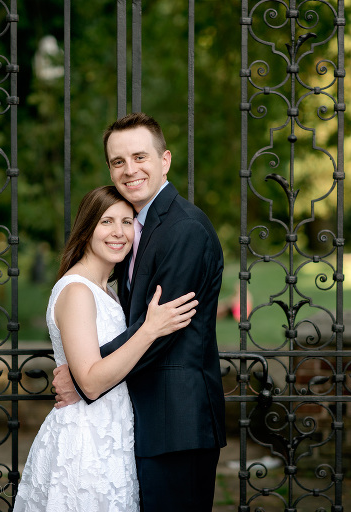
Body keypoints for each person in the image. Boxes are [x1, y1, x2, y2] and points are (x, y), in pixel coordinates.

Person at [53, 112, 227, 511]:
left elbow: (163, 328)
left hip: (177, 423)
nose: (129, 170)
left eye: (140, 157)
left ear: (164, 160)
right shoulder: (137, 229)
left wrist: (85, 375)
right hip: (145, 421)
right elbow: (141, 323)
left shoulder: (183, 229)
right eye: (118, 161)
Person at [13, 186, 198, 512]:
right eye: (107, 222)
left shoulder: (109, 291)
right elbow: (91, 382)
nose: (119, 232)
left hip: (112, 437)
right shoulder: (77, 291)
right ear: (86, 229)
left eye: (127, 222)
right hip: (85, 442)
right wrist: (150, 329)